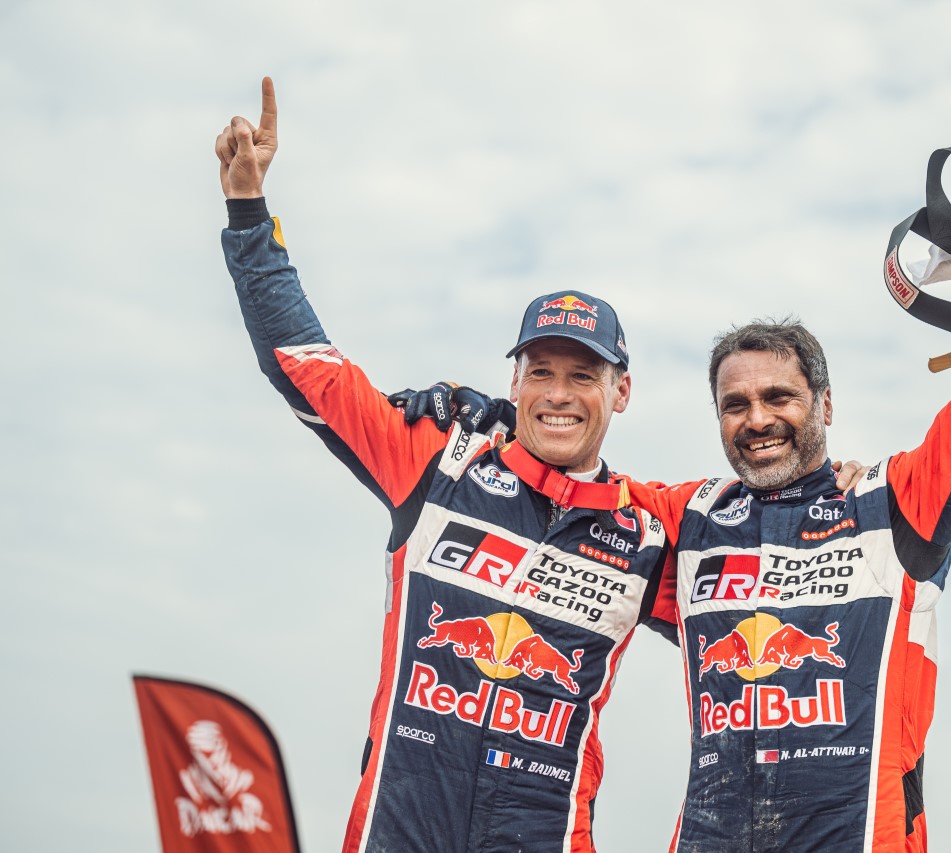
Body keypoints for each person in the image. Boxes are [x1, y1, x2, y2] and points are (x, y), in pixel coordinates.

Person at [421, 237, 951, 851]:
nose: (757, 419)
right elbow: (569, 479)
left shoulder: (894, 505)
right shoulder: (687, 519)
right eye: (735, 404)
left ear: (825, 406)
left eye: (779, 397)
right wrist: (497, 417)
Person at [216, 76, 681, 853]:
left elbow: (776, 567)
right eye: (540, 371)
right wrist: (247, 212)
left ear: (621, 391)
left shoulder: (650, 531)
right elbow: (305, 365)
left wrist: (835, 482)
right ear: (515, 382)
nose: (557, 394)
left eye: (582, 375)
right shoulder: (438, 462)